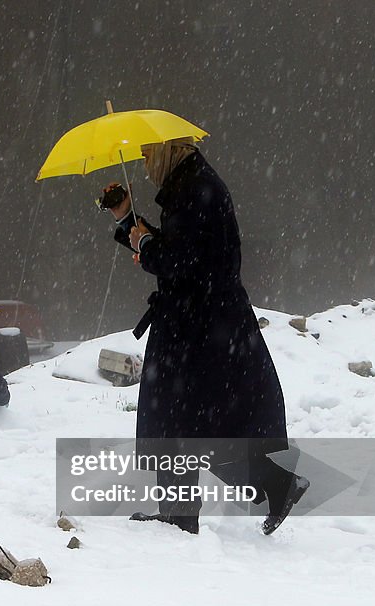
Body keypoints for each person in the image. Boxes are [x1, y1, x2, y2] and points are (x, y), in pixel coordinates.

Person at [104, 138, 308, 535]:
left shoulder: (195, 189)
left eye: (148, 154)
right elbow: (180, 251)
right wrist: (128, 219)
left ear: (169, 149)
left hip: (200, 331)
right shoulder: (190, 184)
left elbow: (181, 260)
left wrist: (145, 243)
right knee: (190, 423)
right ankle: (193, 509)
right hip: (199, 327)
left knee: (189, 423)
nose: (145, 163)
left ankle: (200, 508)